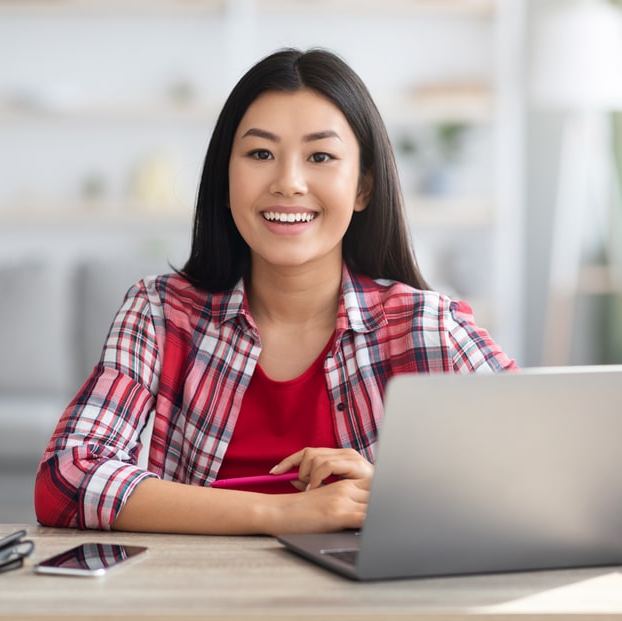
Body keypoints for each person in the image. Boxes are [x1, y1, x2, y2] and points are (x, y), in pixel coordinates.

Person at [34, 48, 516, 536]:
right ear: (227, 178)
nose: (288, 182)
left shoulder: (428, 325)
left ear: (363, 187)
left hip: (369, 610)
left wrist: (390, 494)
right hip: (199, 604)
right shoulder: (160, 314)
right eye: (260, 154)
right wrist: (280, 514)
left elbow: (542, 475)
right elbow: (65, 478)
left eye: (321, 156)